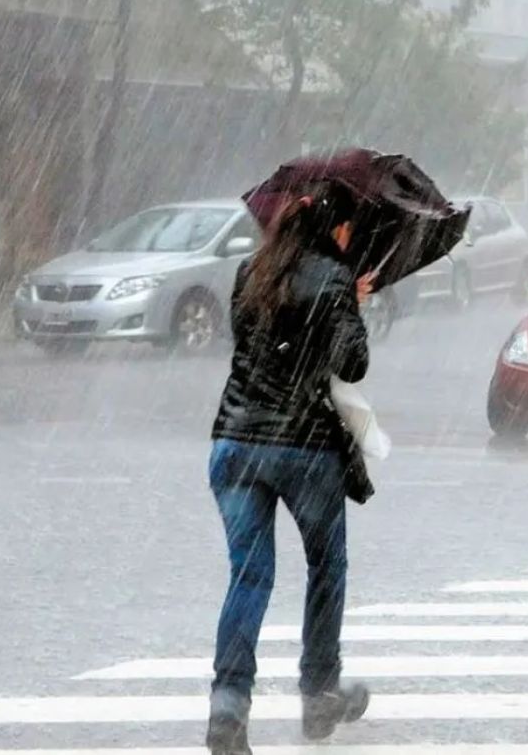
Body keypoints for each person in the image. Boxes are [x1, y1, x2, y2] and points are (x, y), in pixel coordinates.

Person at [205, 181, 375, 754]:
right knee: (327, 566)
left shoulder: (248, 272)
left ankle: (228, 705)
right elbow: (353, 362)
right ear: (334, 228)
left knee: (248, 576)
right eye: (350, 228)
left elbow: (255, 343)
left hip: (234, 443)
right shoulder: (332, 279)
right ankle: (319, 692)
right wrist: (349, 300)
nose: (352, 237)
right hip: (303, 449)